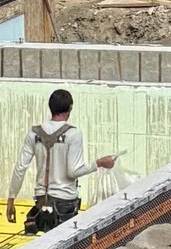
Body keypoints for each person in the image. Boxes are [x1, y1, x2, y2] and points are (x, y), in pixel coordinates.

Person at [7, 87, 115, 232]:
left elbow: (20, 168)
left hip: (41, 201)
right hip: (65, 203)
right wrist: (99, 163)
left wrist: (11, 198)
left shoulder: (34, 133)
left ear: (50, 107)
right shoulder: (73, 134)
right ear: (70, 109)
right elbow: (73, 171)